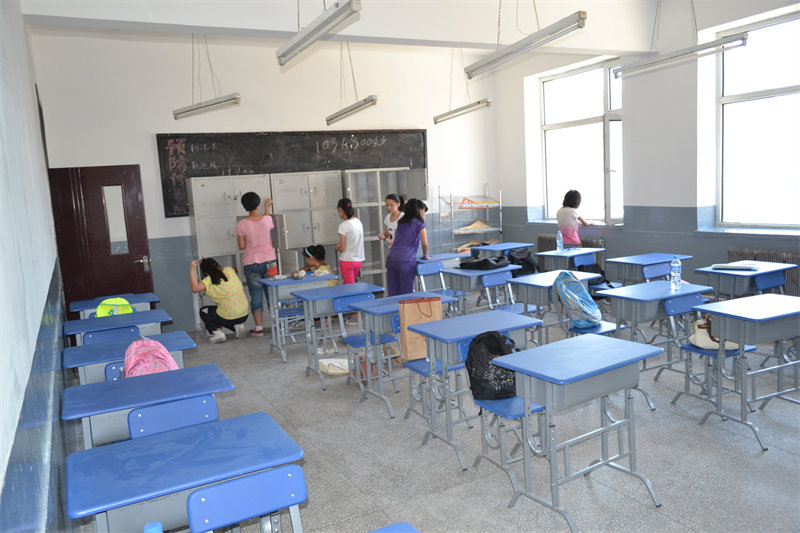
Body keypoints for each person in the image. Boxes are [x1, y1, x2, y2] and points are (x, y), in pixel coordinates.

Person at [236, 191, 276, 337]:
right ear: (258, 205)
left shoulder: (241, 224)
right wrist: (267, 207)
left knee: (255, 294)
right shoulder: (267, 219)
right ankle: (276, 324)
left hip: (251, 263)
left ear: (244, 206)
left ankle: (258, 328)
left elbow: (242, 246)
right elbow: (268, 222)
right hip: (270, 261)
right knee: (272, 293)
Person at [189, 258, 249, 343]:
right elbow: (235, 269)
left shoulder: (208, 281)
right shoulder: (229, 270)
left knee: (204, 311)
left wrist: (192, 269)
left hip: (229, 317)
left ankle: (218, 334)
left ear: (205, 273)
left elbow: (195, 288)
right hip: (244, 314)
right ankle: (238, 327)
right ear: (218, 265)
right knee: (226, 312)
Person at [386, 198, 429, 296]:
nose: (424, 214)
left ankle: (394, 307)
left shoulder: (401, 222)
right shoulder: (420, 224)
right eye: (424, 211)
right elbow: (424, 244)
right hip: (405, 261)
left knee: (393, 294)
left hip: (392, 258)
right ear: (420, 210)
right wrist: (425, 255)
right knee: (406, 294)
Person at [334, 198, 365, 284]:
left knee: (350, 288)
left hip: (347, 261)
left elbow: (343, 248)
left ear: (340, 209)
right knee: (350, 285)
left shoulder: (343, 225)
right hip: (359, 260)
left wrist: (337, 247)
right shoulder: (358, 221)